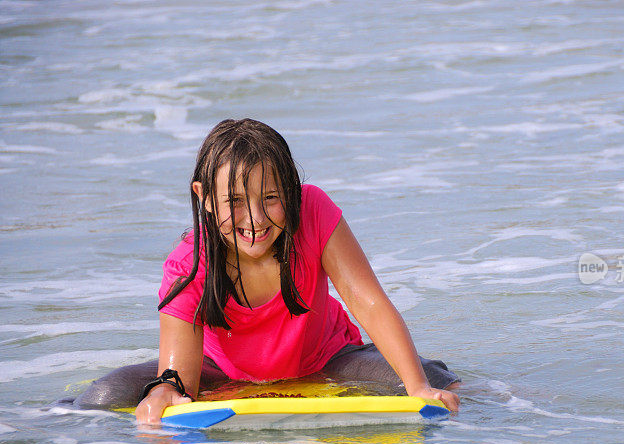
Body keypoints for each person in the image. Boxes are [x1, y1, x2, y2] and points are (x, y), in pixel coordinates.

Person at [71, 118, 460, 422]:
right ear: (204, 197)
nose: (254, 219)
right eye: (235, 201)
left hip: (326, 358)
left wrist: (418, 386)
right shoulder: (190, 263)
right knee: (102, 397)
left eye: (270, 198)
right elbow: (178, 378)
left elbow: (367, 302)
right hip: (220, 371)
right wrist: (163, 395)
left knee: (433, 381)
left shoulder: (312, 211)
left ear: (290, 191)